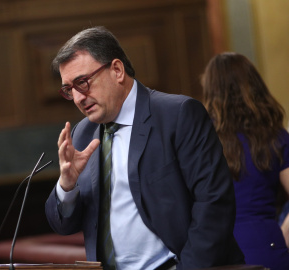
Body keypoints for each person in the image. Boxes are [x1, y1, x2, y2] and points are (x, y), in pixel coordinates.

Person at [45, 26, 245, 270]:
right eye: (69, 90)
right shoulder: (82, 133)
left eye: (83, 83)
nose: (78, 98)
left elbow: (214, 204)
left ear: (117, 70)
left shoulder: (178, 115)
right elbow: (63, 225)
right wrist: (66, 184)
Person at [201, 52, 289, 270]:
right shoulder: (275, 136)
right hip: (266, 244)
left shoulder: (199, 138)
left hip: (215, 250)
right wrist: (284, 232)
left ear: (211, 89)